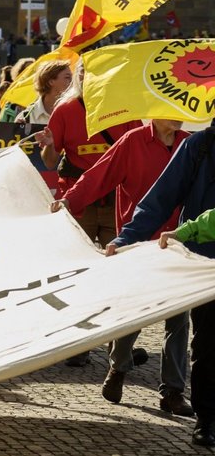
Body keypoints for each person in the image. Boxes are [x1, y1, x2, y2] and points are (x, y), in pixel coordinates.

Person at [52, 119, 191, 415]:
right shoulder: (132, 141)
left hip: (178, 243)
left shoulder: (190, 143)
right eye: (170, 109)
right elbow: (99, 175)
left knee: (178, 319)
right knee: (133, 314)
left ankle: (173, 391)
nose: (177, 115)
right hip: (136, 241)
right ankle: (119, 367)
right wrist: (69, 199)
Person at [114, 124, 215, 446]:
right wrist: (126, 239)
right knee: (209, 346)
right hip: (203, 266)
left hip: (197, 246)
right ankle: (208, 419)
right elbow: (160, 197)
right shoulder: (200, 146)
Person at [36, 61, 140, 244]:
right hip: (77, 202)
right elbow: (49, 162)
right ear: (78, 75)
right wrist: (50, 146)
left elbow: (137, 154)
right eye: (84, 70)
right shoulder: (64, 110)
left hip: (114, 201)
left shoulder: (125, 110)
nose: (90, 75)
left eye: (97, 69)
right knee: (77, 262)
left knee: (117, 261)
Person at [15, 60, 72, 125]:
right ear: (51, 81)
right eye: (67, 77)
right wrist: (18, 132)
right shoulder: (27, 117)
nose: (72, 81)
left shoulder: (75, 112)